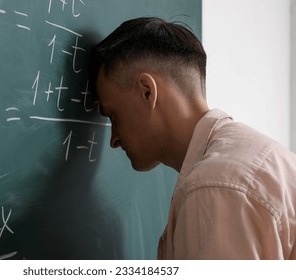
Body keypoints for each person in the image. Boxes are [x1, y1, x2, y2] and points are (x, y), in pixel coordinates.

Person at [90, 17, 296, 259]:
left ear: (147, 92)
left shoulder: (216, 187)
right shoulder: (257, 157)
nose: (113, 140)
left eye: (114, 116)